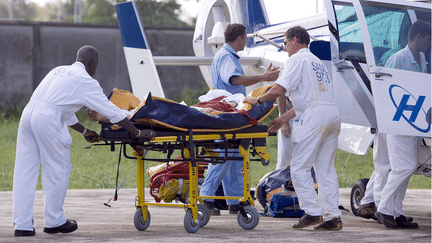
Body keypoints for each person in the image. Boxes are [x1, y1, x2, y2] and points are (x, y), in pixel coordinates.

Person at [12, 45, 155, 237]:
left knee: (24, 171)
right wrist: (138, 132)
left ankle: (22, 225)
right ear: (92, 63)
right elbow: (112, 112)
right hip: (48, 120)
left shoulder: (58, 71)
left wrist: (84, 130)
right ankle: (54, 221)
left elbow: (60, 108)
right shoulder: (86, 81)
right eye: (96, 64)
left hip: (28, 116)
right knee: (57, 170)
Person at [244, 26, 342, 230]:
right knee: (325, 168)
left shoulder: (296, 60)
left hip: (315, 116)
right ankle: (332, 216)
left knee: (299, 167)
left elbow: (279, 89)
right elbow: (308, 101)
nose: (285, 48)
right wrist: (284, 118)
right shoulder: (316, 62)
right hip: (331, 114)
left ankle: (313, 212)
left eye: (286, 43)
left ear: (295, 40)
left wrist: (257, 100)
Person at [200, 23, 280, 215]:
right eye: (245, 38)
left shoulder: (224, 55)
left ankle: (234, 200)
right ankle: (206, 198)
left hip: (230, 112)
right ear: (239, 39)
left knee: (234, 157)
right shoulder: (228, 57)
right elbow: (234, 79)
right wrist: (264, 77)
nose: (246, 41)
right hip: (228, 113)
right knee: (222, 155)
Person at [374, 20, 431, 229]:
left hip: (414, 123)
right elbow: (383, 88)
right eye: (427, 40)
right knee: (402, 167)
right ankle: (383, 209)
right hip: (397, 121)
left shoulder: (423, 60)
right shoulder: (397, 59)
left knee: (407, 168)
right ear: (418, 38)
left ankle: (397, 211)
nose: (429, 44)